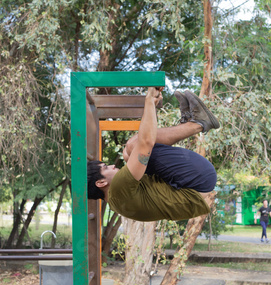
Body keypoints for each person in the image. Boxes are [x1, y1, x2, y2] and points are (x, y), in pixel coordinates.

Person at [87, 87, 220, 222]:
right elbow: (145, 143)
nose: (112, 166)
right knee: (134, 145)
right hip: (197, 181)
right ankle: (198, 124)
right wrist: (149, 101)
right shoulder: (118, 188)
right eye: (105, 167)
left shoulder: (116, 202)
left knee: (128, 154)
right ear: (101, 182)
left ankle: (187, 125)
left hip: (191, 186)